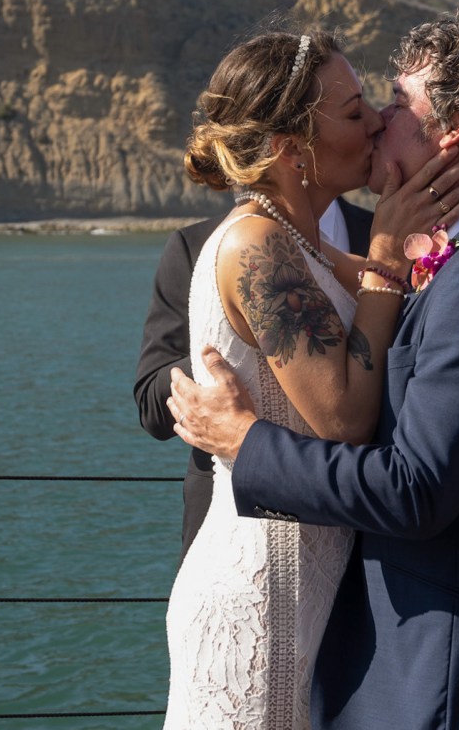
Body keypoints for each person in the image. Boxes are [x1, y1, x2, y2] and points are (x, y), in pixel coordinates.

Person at [171, 10, 459, 730]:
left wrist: (248, 443)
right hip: (372, 636)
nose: (377, 122)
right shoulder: (446, 259)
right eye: (363, 107)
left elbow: (416, 488)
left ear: (455, 128)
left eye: (396, 103)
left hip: (456, 666)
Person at [134, 195, 372, 562]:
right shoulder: (195, 244)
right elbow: (152, 405)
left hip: (368, 527)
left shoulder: (381, 234)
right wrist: (244, 337)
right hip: (241, 535)